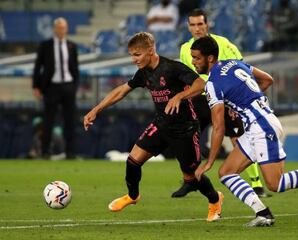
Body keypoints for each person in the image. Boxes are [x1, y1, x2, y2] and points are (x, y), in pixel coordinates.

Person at [189, 36, 298, 227]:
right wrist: (244, 102)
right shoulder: (234, 63)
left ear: (210, 58)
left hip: (262, 127)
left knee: (275, 184)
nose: (194, 62)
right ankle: (263, 213)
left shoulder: (212, 84)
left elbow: (218, 126)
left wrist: (208, 162)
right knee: (227, 172)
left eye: (196, 58)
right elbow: (267, 80)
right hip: (257, 125)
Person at [83, 32, 223, 222]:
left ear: (151, 50)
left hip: (185, 129)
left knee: (192, 177)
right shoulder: (143, 73)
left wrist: (179, 96)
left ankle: (215, 199)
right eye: (132, 55)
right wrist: (97, 109)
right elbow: (121, 91)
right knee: (133, 161)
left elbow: (201, 84)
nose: (134, 59)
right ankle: (133, 196)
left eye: (137, 54)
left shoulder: (172, 68)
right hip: (161, 124)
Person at [172, 8, 268, 198]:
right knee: (187, 138)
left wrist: (235, 103)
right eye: (193, 25)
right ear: (188, 27)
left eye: (200, 24)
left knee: (238, 139)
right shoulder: (185, 49)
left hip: (223, 99)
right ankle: (190, 180)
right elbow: (187, 77)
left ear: (207, 25)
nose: (197, 28)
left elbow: (241, 71)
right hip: (199, 99)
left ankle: (256, 184)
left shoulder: (223, 44)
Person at [32, 17, 79, 159]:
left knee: (69, 120)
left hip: (68, 86)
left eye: (63, 27)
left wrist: (74, 85)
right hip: (51, 87)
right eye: (58, 27)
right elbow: (37, 67)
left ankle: (70, 152)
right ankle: (45, 151)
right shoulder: (45, 45)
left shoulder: (71, 45)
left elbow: (75, 67)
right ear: (55, 29)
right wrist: (36, 87)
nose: (61, 30)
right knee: (48, 120)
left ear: (66, 28)